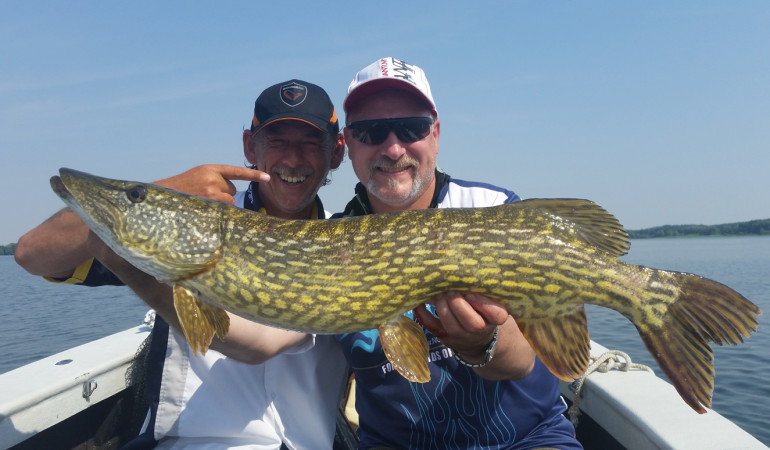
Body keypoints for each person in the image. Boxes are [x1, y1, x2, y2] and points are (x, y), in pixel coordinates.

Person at [15, 80, 350, 449]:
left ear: (336, 153)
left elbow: (257, 346)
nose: (292, 159)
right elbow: (31, 254)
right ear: (248, 146)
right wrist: (168, 189)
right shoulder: (183, 223)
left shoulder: (345, 244)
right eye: (277, 141)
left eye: (309, 143)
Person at [333, 57, 582, 449]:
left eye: (411, 128)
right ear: (348, 145)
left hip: (525, 440)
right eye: (371, 132)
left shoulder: (494, 209)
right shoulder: (328, 239)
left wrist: (482, 344)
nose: (393, 147)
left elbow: (525, 361)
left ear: (435, 133)